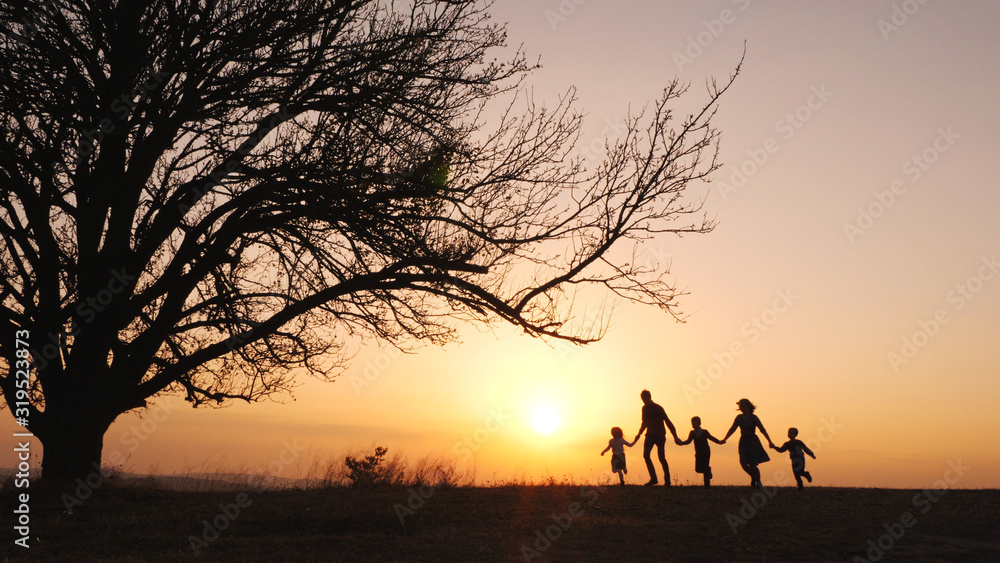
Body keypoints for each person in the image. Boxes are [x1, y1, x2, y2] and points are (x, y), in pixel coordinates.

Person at [721, 398, 774, 488]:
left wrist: (770, 441)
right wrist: (725, 438)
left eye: (743, 406)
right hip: (743, 442)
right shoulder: (738, 418)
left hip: (752, 441)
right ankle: (755, 478)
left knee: (753, 464)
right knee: (743, 463)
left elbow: (762, 430)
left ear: (748, 406)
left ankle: (757, 482)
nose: (742, 408)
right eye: (740, 406)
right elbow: (732, 429)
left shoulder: (754, 418)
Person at [634, 389, 679, 486]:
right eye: (642, 399)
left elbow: (667, 421)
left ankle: (667, 481)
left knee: (661, 458)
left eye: (645, 398)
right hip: (649, 435)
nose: (644, 401)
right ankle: (653, 478)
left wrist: (675, 436)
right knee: (646, 455)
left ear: (649, 397)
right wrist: (639, 433)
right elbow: (644, 422)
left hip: (660, 435)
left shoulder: (658, 408)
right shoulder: (644, 408)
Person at [676, 416, 724, 488]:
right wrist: (681, 443)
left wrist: (719, 442)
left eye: (695, 424)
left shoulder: (705, 432)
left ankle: (707, 485)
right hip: (698, 453)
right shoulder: (692, 433)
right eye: (692, 424)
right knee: (698, 469)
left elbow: (712, 438)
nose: (694, 425)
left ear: (699, 423)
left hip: (706, 452)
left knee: (704, 468)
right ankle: (708, 469)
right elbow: (688, 441)